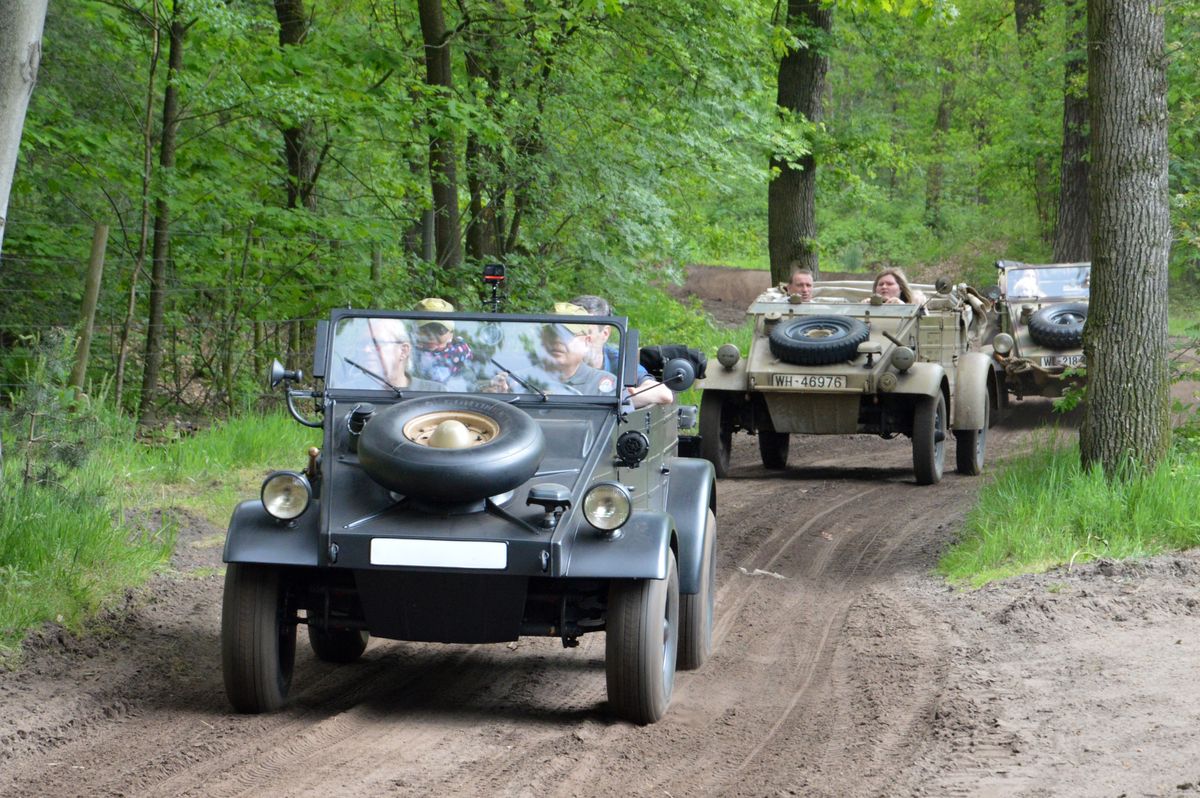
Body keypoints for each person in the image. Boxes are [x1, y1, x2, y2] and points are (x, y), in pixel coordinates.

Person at [486, 302, 618, 396]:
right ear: (542, 338)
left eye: (567, 334)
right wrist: (497, 396)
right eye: (552, 333)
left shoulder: (604, 385)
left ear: (587, 342)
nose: (557, 340)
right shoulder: (515, 381)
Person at [570, 294, 674, 407]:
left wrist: (622, 399)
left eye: (585, 331)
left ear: (605, 333)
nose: (576, 338)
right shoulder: (559, 358)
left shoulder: (618, 362)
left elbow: (663, 393)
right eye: (571, 331)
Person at [339, 317, 443, 392]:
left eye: (376, 343)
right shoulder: (347, 391)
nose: (366, 350)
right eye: (363, 344)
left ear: (403, 351)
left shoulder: (434, 392)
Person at [411, 297, 474, 385]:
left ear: (451, 332)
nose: (432, 336)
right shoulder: (408, 351)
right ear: (415, 331)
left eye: (439, 330)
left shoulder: (460, 352)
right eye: (425, 330)